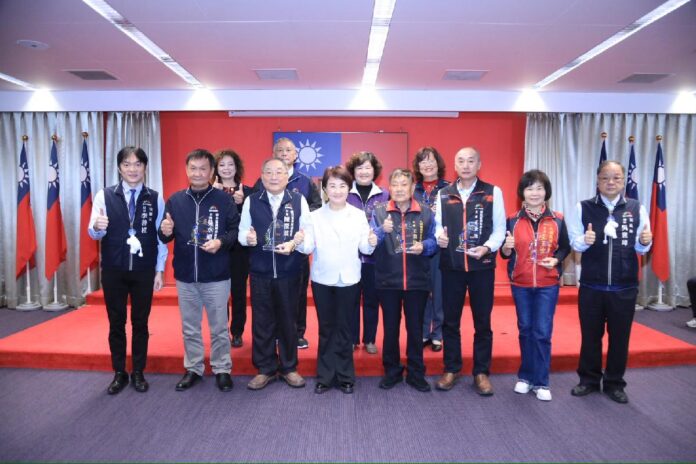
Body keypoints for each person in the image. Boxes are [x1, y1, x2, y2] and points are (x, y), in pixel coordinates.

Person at [567, 160, 652, 404]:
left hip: (624, 287)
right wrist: (585, 239)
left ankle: (615, 383)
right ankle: (588, 380)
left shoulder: (636, 208)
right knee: (590, 337)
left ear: (624, 181)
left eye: (616, 178)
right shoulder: (583, 207)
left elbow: (641, 247)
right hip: (592, 286)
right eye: (605, 178)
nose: (610, 182)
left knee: (620, 339)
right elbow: (574, 242)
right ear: (597, 181)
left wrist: (645, 241)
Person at [159, 149, 240, 393]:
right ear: (186, 170)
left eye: (203, 169)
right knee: (190, 327)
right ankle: (193, 368)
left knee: (219, 327)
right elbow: (166, 235)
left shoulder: (223, 200)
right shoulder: (175, 200)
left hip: (216, 275)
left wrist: (221, 242)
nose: (197, 173)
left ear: (212, 172)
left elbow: (235, 231)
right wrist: (164, 230)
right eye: (193, 168)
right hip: (186, 276)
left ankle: (222, 368)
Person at [88, 146, 167, 395]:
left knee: (141, 323)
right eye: (127, 164)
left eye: (138, 164)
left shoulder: (155, 198)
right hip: (114, 269)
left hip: (143, 270)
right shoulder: (104, 196)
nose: (132, 169)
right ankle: (119, 372)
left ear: (145, 167)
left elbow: (161, 237)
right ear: (119, 168)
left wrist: (159, 270)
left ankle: (138, 371)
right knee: (116, 323)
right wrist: (97, 227)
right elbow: (93, 232)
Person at [435, 146, 506, 396]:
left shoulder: (492, 192)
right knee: (450, 321)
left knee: (482, 322)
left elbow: (500, 228)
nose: (466, 166)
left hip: (481, 267)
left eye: (470, 161)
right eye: (461, 161)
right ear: (455, 166)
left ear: (479, 165)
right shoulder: (444, 193)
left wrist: (488, 248)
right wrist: (440, 237)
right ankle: (451, 368)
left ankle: (481, 372)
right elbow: (437, 226)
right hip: (452, 266)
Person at [299, 166, 376, 394]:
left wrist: (371, 241)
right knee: (326, 328)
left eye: (342, 185)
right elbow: (308, 247)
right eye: (332, 186)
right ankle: (324, 376)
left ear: (349, 188)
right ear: (324, 189)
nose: (337, 190)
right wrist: (300, 240)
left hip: (350, 279)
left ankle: (345, 376)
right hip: (322, 279)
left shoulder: (358, 215)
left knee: (344, 329)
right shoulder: (314, 216)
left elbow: (365, 249)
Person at [499, 170, 570, 401]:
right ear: (522, 192)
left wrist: (556, 260)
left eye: (539, 188)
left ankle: (541, 382)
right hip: (520, 283)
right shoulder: (512, 219)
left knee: (542, 332)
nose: (535, 193)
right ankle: (525, 377)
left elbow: (565, 247)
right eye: (530, 188)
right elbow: (504, 253)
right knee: (525, 330)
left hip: (548, 284)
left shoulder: (557, 219)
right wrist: (506, 247)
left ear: (546, 191)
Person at [239, 158, 309, 390]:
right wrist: (248, 239)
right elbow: (242, 233)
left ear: (287, 176)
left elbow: (307, 234)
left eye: (279, 172)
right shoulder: (252, 200)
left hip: (290, 271)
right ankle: (265, 368)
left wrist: (295, 244)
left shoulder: (298, 200)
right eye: (268, 172)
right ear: (262, 176)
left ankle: (289, 367)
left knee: (288, 320)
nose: (274, 177)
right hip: (260, 271)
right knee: (262, 322)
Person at [371, 168, 437, 392]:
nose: (399, 189)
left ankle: (416, 373)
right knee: (390, 329)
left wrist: (424, 246)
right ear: (389, 187)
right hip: (387, 281)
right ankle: (392, 371)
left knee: (415, 329)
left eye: (404, 184)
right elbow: (369, 242)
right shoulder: (379, 212)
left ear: (412, 188)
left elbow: (434, 241)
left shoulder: (426, 212)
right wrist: (381, 231)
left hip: (417, 281)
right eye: (395, 184)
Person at [253, 137, 322, 350]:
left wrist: (299, 222)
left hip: (296, 249)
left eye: (288, 150)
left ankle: (297, 333)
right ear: (273, 154)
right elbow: (254, 208)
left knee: (298, 294)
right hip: (267, 251)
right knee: (269, 296)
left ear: (295, 155)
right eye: (280, 150)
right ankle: (273, 333)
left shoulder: (305, 181)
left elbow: (317, 206)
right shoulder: (262, 181)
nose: (284, 153)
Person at [345, 151, 390, 354]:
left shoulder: (385, 195)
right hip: (350, 257)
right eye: (359, 168)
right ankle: (352, 339)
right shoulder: (345, 193)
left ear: (375, 171)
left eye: (368, 167)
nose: (364, 172)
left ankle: (370, 339)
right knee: (352, 300)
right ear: (353, 171)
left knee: (372, 300)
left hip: (376, 259)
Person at [212, 149, 253, 348]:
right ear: (216, 168)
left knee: (238, 293)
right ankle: (221, 332)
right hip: (218, 250)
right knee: (219, 295)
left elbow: (253, 221)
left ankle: (237, 331)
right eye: (222, 165)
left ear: (237, 168)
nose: (226, 168)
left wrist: (242, 204)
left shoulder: (248, 191)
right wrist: (214, 197)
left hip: (239, 251)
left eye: (230, 164)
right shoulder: (209, 191)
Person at [412, 146, 450, 353]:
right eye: (423, 161)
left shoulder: (449, 188)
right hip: (418, 248)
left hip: (441, 248)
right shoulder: (412, 189)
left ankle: (438, 333)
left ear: (438, 163)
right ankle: (424, 331)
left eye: (431, 160)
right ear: (418, 166)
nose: (427, 165)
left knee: (439, 292)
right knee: (421, 291)